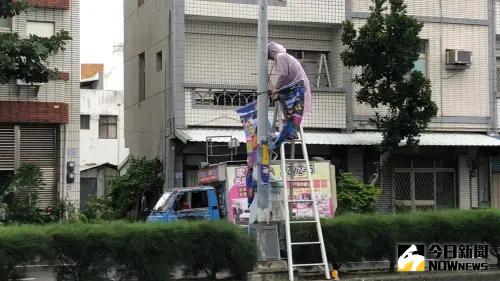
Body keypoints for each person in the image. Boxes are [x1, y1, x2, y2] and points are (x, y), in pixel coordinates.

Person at [267, 42, 311, 150]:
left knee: (291, 108)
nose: (271, 59)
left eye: (269, 56)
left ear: (272, 52)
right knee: (290, 108)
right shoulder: (286, 57)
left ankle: (291, 131)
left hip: (296, 88)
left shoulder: (281, 56)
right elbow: (286, 77)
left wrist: (276, 89)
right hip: (296, 87)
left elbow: (283, 75)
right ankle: (292, 131)